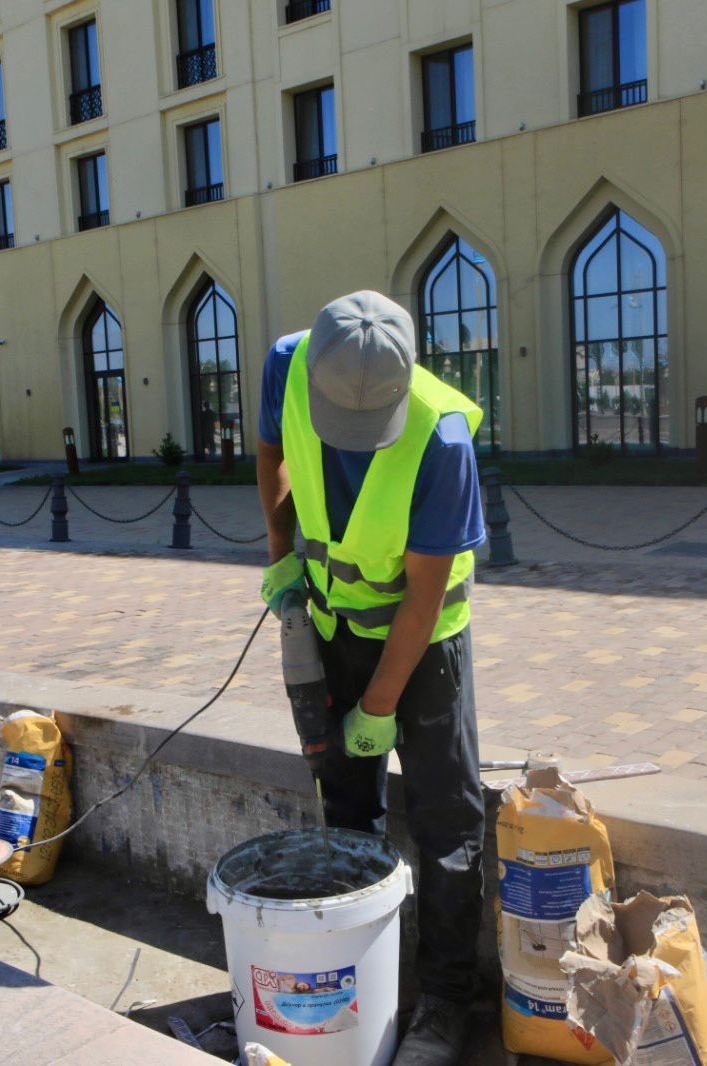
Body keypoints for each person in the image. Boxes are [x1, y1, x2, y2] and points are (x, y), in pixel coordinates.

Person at [256, 291, 486, 1066]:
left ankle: (448, 1000)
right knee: (346, 803)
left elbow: (422, 600)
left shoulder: (442, 436)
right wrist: (281, 551)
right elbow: (271, 454)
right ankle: (353, 975)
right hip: (332, 626)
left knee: (445, 821)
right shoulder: (287, 366)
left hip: (426, 653)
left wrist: (378, 707)